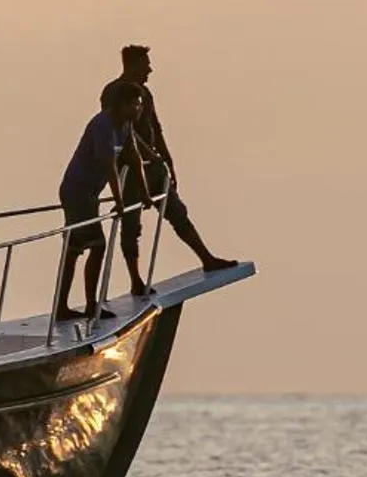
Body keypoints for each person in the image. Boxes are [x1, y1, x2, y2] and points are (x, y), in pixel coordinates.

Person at [104, 44, 237, 287]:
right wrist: (147, 156)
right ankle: (136, 280)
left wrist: (166, 159)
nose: (150, 70)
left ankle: (206, 257)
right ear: (133, 65)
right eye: (146, 65)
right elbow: (122, 130)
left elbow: (155, 127)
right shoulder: (113, 92)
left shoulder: (146, 94)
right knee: (131, 225)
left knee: (177, 212)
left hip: (154, 166)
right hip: (131, 168)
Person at [56, 80, 145, 322]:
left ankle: (62, 307)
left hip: (89, 194)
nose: (140, 109)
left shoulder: (125, 126)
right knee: (97, 245)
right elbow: (109, 166)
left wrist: (145, 193)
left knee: (74, 249)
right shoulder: (103, 125)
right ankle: (90, 305)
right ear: (124, 104)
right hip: (77, 191)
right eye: (136, 104)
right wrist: (119, 201)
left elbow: (133, 157)